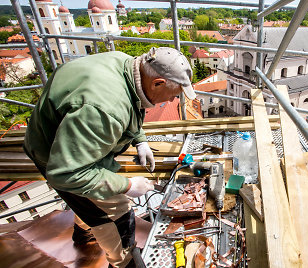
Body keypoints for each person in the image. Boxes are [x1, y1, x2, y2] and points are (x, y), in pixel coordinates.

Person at [23, 47, 196, 268]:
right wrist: (126, 185)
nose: (173, 101)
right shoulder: (104, 108)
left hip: (74, 146)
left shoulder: (129, 65)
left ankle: (84, 232)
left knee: (90, 202)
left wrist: (139, 139)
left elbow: (133, 102)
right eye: (174, 94)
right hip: (59, 157)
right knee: (118, 214)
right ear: (158, 83)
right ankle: (123, 261)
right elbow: (66, 173)